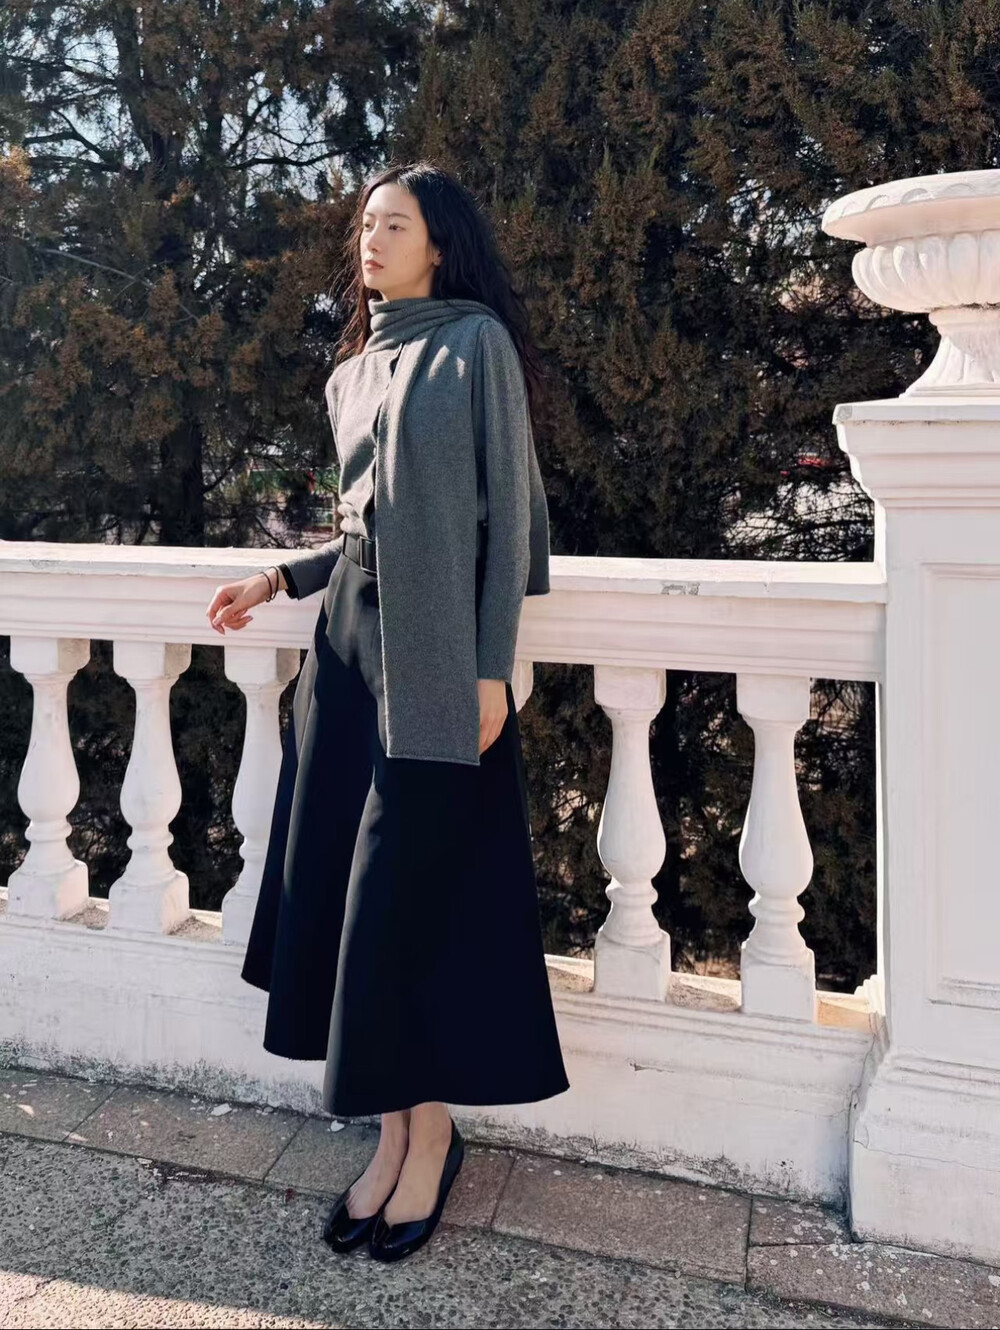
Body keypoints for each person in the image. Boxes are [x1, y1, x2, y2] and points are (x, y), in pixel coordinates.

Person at [204, 160, 569, 1264]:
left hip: (439, 661)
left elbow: (508, 523)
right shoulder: (354, 371)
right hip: (346, 654)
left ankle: (432, 1135)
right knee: (352, 899)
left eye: (394, 224)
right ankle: (393, 1131)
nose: (371, 240)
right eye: (366, 224)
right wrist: (280, 579)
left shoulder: (475, 346)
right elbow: (367, 529)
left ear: (439, 243)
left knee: (411, 896)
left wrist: (490, 669)